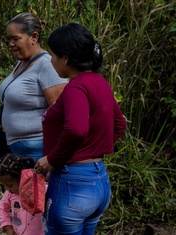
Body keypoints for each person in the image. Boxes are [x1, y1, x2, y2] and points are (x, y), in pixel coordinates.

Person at [35, 23, 127, 235]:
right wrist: (91, 148)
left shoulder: (76, 87)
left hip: (72, 183)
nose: (51, 61)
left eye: (53, 56)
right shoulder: (99, 82)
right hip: (99, 181)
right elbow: (119, 124)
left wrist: (53, 160)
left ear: (65, 58)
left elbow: (76, 129)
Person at [0, 12, 68, 162]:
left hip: (37, 149)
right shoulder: (22, 63)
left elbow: (60, 113)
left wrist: (53, 157)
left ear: (34, 37)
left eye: (15, 39)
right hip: (17, 149)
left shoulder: (47, 65)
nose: (11, 44)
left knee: (36, 187)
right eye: (9, 39)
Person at [0, 153, 45, 235]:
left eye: (10, 185)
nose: (7, 189)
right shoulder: (9, 194)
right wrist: (7, 226)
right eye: (4, 186)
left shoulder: (40, 190)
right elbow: (2, 208)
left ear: (22, 178)